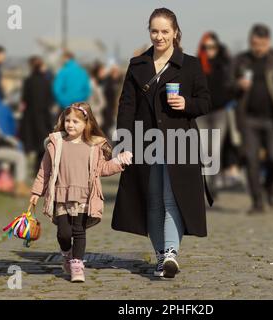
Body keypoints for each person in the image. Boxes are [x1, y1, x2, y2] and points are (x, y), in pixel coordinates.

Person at [112, 7, 212, 279]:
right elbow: (126, 107)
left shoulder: (190, 65)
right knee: (152, 199)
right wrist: (124, 142)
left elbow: (205, 101)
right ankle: (160, 257)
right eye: (154, 31)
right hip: (145, 142)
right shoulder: (137, 65)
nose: (159, 36)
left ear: (175, 33)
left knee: (172, 198)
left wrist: (186, 103)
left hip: (180, 141)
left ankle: (171, 253)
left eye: (164, 31)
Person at [29, 102, 133, 283]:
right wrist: (37, 192)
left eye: (76, 122)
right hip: (61, 195)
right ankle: (67, 254)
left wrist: (119, 162)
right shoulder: (56, 143)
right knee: (63, 233)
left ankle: (77, 265)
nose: (70, 125)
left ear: (87, 124)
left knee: (78, 231)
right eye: (67, 120)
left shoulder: (94, 146)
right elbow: (44, 171)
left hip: (85, 195)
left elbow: (102, 168)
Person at [232, 24, 273, 214]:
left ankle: (269, 185)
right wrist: (238, 85)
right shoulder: (241, 60)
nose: (257, 47)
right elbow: (227, 85)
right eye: (253, 43)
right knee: (251, 160)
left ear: (268, 42)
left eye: (260, 44)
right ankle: (257, 202)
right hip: (249, 119)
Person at [196, 31, 233, 198]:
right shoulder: (196, 65)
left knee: (215, 150)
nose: (210, 50)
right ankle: (206, 182)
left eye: (213, 47)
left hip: (219, 112)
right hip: (202, 114)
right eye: (206, 47)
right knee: (204, 150)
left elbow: (231, 84)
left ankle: (214, 183)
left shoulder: (224, 64)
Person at [20, 56, 54, 173]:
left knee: (29, 144)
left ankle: (23, 170)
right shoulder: (46, 81)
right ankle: (39, 168)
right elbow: (50, 99)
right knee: (42, 144)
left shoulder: (28, 81)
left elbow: (24, 98)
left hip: (29, 116)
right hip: (43, 116)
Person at [88, 62, 107, 127]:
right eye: (102, 71)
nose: (104, 73)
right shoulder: (93, 85)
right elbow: (102, 102)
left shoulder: (100, 83)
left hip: (95, 115)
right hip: (94, 116)